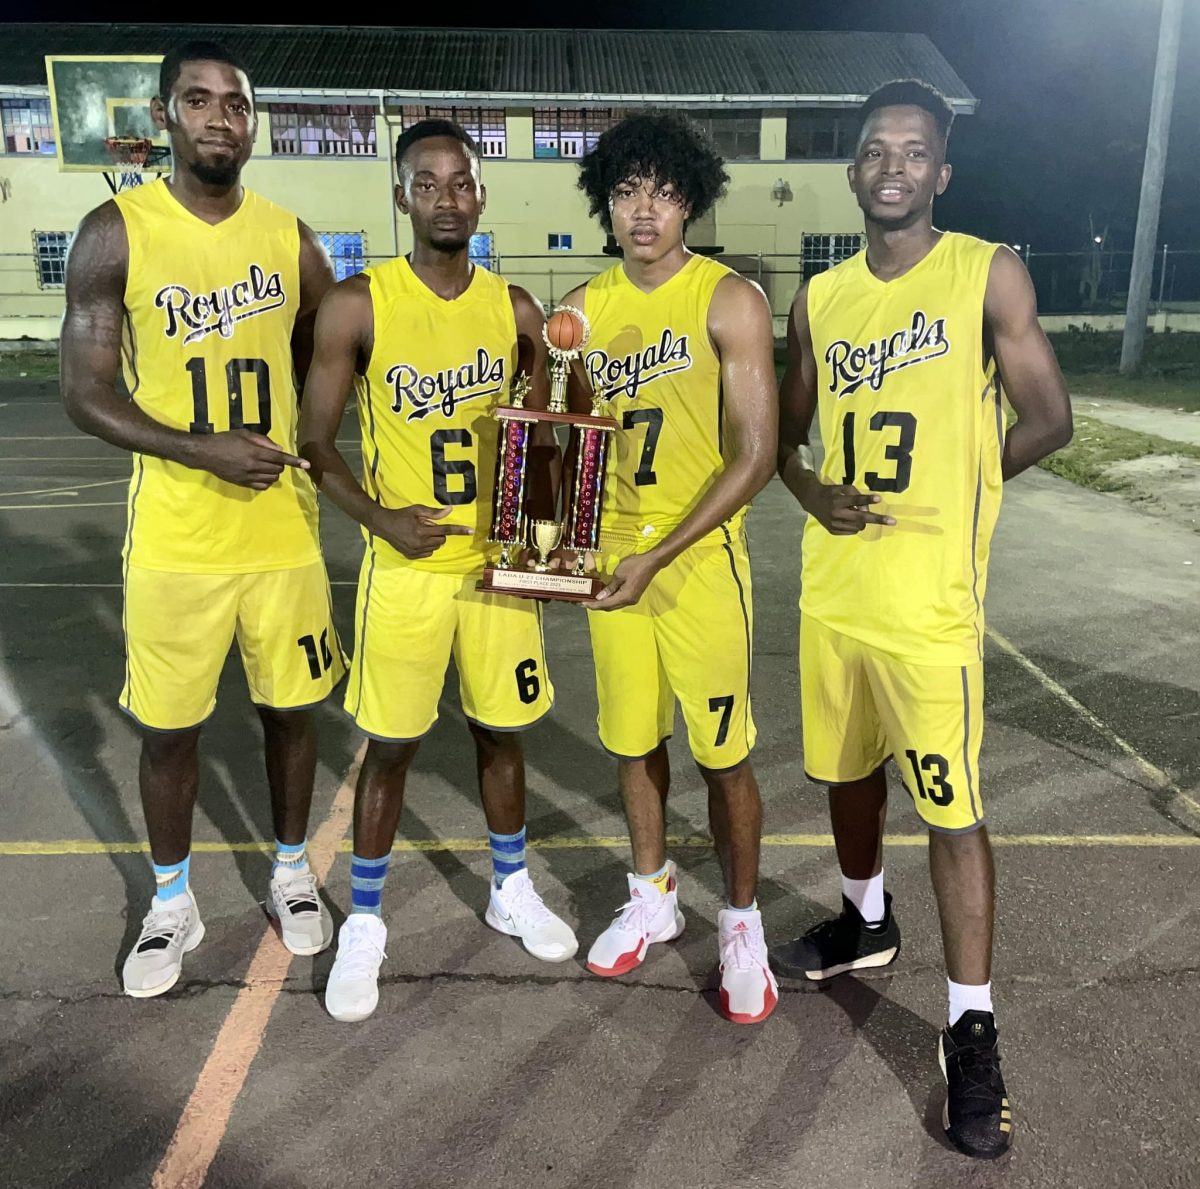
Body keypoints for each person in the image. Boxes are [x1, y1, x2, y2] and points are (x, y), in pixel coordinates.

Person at [771, 79, 1073, 1157]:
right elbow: (782, 437)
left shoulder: (986, 271)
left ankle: (971, 1024)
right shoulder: (820, 299)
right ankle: (864, 917)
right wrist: (807, 493)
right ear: (853, 172)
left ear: (941, 171)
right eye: (873, 150)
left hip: (930, 609)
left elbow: (1052, 416)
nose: (892, 164)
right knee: (847, 776)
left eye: (914, 150)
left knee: (952, 810)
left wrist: (967, 479)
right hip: (834, 595)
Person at [60, 41, 345, 998]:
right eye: (200, 99)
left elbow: (327, 366)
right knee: (170, 731)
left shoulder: (290, 236)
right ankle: (172, 900)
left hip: (281, 528)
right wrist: (198, 446)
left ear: (253, 121)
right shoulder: (116, 230)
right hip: (179, 535)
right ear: (165, 114)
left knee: (290, 712)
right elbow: (83, 392)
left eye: (237, 102)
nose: (221, 116)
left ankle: (293, 867)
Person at [299, 119, 577, 1024]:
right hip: (407, 566)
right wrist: (380, 518)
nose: (447, 198)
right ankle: (368, 922)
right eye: (429, 184)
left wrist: (551, 522)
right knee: (393, 747)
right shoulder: (357, 303)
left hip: (493, 566)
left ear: (480, 196)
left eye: (462, 183)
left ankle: (509, 886)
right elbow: (315, 443)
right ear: (401, 195)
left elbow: (544, 442)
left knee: (503, 734)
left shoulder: (517, 309)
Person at [561, 112, 779, 1024]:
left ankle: (741, 923)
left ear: (691, 198)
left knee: (723, 754)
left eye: (663, 191)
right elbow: (568, 447)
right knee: (632, 741)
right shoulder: (580, 308)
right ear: (605, 203)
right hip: (612, 563)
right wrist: (561, 543)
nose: (644, 210)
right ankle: (652, 891)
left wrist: (659, 553)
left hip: (692, 561)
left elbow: (755, 455)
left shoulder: (728, 299)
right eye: (626, 191)